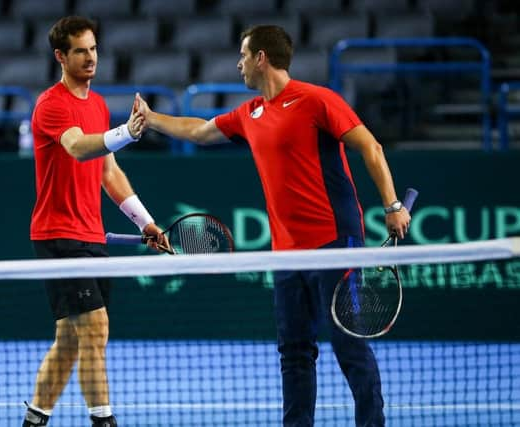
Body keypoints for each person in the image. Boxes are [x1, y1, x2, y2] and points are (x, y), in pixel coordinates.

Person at [135, 25, 411, 427]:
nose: (239, 64)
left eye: (244, 56)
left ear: (261, 57)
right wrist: (151, 117)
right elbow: (199, 130)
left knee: (348, 344)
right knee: (294, 350)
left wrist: (392, 204)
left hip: (336, 241)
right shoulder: (248, 114)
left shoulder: (317, 100)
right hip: (287, 251)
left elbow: (371, 146)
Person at [23, 16, 166, 427]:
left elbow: (108, 173)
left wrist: (146, 223)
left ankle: (34, 420)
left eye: (93, 49)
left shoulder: (98, 104)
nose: (90, 58)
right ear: (60, 57)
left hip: (90, 235)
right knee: (95, 329)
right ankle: (104, 422)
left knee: (69, 341)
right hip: (58, 236)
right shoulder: (51, 104)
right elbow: (78, 148)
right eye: (80, 51)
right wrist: (126, 131)